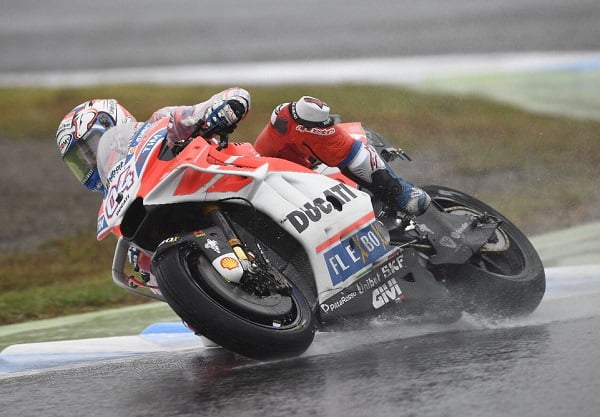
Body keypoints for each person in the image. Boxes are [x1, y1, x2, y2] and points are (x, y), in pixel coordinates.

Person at [254, 96, 431, 216]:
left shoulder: (290, 117)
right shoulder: (296, 126)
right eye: (321, 125)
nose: (326, 127)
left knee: (357, 156)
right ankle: (397, 192)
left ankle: (398, 192)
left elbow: (351, 151)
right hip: (281, 178)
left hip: (293, 170)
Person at [55, 87, 251, 194]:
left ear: (110, 125)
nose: (90, 161)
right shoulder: (117, 200)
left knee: (281, 119)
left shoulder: (160, 125)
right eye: (81, 160)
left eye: (91, 149)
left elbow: (233, 96)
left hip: (236, 176)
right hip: (202, 207)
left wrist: (225, 109)